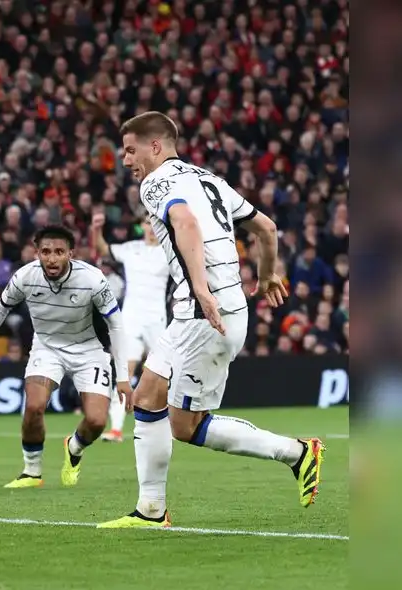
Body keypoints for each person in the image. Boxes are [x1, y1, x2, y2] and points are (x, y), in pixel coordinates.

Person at [98, 112, 325, 529]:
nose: (125, 159)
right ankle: (151, 511)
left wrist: (201, 287)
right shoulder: (209, 179)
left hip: (205, 313)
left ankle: (296, 453)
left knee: (185, 425)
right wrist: (268, 273)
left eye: (131, 150)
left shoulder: (157, 181)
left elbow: (183, 221)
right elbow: (267, 228)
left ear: (156, 146)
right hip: (202, 309)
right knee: (148, 397)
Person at [0, 225, 132, 488]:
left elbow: (117, 326)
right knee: (33, 407)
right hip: (47, 347)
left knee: (97, 421)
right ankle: (32, 472)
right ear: (36, 253)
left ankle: (74, 447)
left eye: (59, 252)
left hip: (88, 349)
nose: (52, 258)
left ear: (70, 254)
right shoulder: (24, 277)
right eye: (46, 252)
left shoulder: (93, 280)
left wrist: (123, 376)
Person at [91, 213, 170, 442]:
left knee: (166, 375)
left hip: (157, 321)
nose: (151, 227)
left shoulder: (169, 250)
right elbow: (103, 249)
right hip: (132, 320)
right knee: (124, 373)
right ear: (142, 227)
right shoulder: (130, 248)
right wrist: (96, 229)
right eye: (148, 223)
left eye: (156, 223)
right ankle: (116, 429)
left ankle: (172, 423)